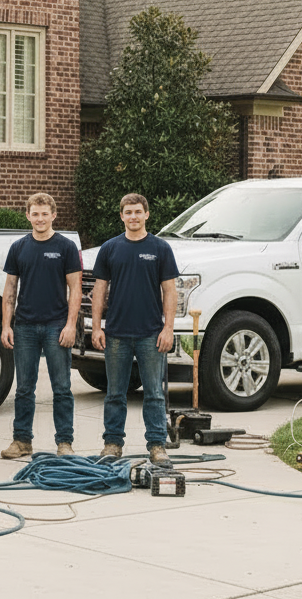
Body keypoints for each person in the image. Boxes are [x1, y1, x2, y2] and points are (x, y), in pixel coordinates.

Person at [90, 193, 178, 465]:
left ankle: (157, 445)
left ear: (147, 214)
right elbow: (99, 290)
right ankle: (112, 444)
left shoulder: (160, 248)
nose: (133, 217)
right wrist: (96, 328)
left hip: (151, 333)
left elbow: (170, 291)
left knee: (153, 393)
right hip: (116, 333)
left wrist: (168, 329)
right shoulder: (110, 249)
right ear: (122, 216)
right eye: (128, 212)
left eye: (138, 212)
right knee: (115, 393)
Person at [0, 192, 82, 459]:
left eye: (45, 214)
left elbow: (76, 288)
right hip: (24, 326)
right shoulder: (19, 248)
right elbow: (10, 289)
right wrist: (6, 325)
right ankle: (22, 441)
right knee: (24, 387)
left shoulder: (66, 247)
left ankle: (65, 442)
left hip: (56, 325)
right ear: (28, 216)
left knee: (62, 386)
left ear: (53, 215)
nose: (40, 219)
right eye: (35, 214)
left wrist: (71, 325)